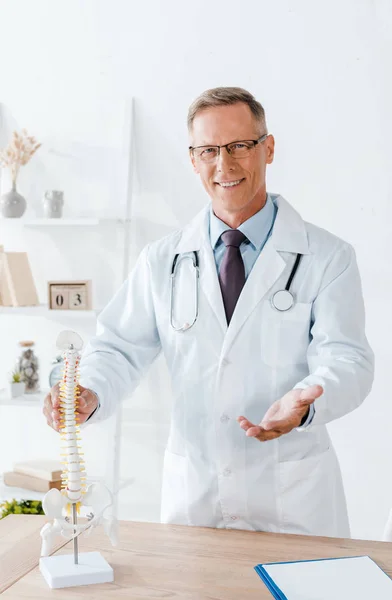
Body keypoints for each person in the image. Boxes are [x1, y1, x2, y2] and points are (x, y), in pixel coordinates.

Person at [43, 87, 374, 537]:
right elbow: (118, 347)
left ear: (268, 148)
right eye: (209, 150)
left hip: (292, 498)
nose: (226, 164)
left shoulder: (327, 257)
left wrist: (308, 400)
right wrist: (89, 391)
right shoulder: (163, 260)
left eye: (240, 146)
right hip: (197, 494)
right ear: (193, 159)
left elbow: (347, 358)